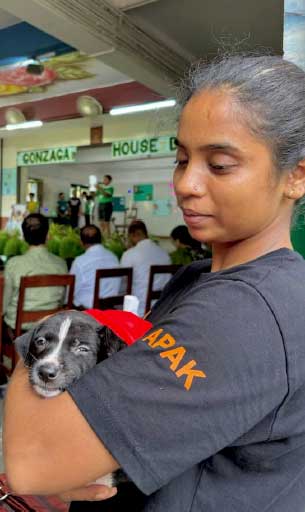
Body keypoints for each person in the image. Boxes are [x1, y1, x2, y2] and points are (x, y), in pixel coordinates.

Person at [5, 54, 305, 512]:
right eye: (182, 158)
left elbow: (33, 462)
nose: (186, 184)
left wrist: (46, 337)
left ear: (296, 176)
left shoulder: (246, 311)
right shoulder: (197, 279)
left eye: (220, 165)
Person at [3, 213, 68, 333]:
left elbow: (4, 304)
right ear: (48, 236)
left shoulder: (13, 264)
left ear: (23, 237)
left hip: (20, 329)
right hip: (52, 327)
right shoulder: (61, 264)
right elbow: (63, 300)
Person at [120, 220, 171, 317]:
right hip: (161, 307)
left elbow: (123, 280)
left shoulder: (130, 254)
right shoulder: (164, 253)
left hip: (138, 309)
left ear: (132, 235)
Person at [69, 224, 120, 309]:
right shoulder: (114, 258)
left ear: (81, 243)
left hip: (87, 313)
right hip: (110, 310)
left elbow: (70, 293)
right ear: (101, 240)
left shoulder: (80, 262)